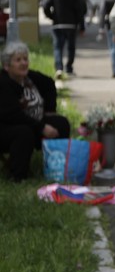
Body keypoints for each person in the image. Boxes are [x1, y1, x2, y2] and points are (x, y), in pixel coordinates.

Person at [0, 41, 71, 181]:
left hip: (33, 123)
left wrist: (50, 111)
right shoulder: (3, 83)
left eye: (25, 59)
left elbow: (50, 83)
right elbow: (14, 115)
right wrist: (42, 127)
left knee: (61, 123)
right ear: (7, 66)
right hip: (6, 128)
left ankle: (56, 166)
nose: (23, 63)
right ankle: (17, 176)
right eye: (18, 60)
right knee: (23, 133)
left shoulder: (28, 77)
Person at [42, 0, 87, 79]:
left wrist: (52, 17)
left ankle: (59, 68)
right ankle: (69, 68)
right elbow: (80, 11)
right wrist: (81, 26)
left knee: (58, 47)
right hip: (71, 26)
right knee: (71, 48)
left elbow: (46, 6)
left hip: (58, 24)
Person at [97, 0, 115, 78]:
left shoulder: (106, 0)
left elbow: (102, 13)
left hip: (110, 26)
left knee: (113, 49)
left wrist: (101, 27)